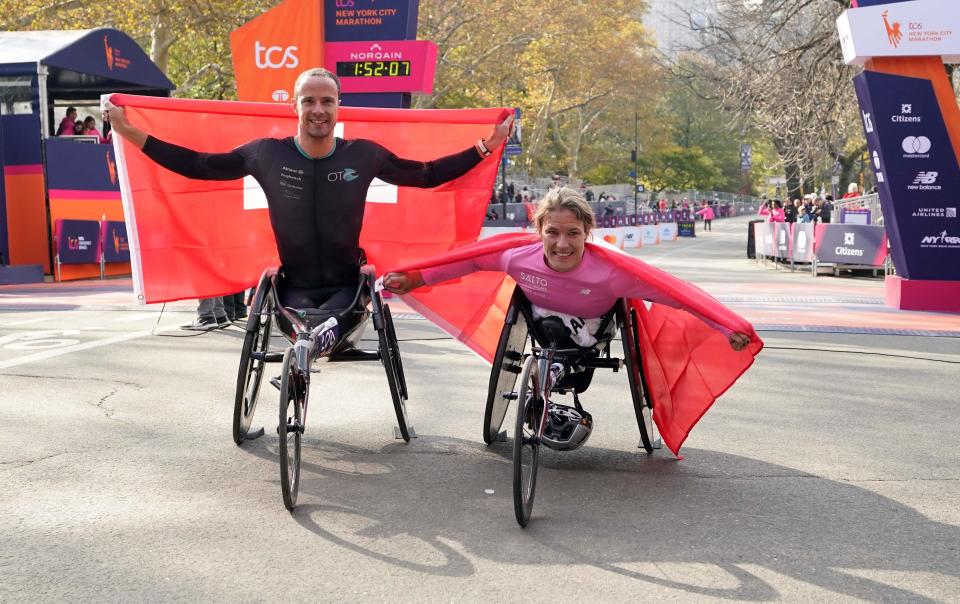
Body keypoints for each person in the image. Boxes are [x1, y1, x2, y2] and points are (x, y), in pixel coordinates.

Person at [104, 67, 514, 339]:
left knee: (323, 329)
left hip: (347, 287)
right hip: (292, 288)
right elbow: (197, 165)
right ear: (294, 106)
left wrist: (485, 147)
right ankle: (305, 352)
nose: (318, 110)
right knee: (303, 328)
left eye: (327, 101)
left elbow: (426, 175)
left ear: (338, 107)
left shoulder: (364, 154)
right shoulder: (265, 154)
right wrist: (130, 133)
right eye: (309, 101)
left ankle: (309, 351)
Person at [383, 187, 750, 352]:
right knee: (543, 325)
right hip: (540, 319)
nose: (562, 244)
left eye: (573, 234)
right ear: (539, 231)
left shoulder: (611, 272)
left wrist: (727, 327)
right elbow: (469, 259)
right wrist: (415, 278)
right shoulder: (515, 257)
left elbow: (676, 294)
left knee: (568, 336)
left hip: (590, 327)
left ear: (587, 233)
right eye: (553, 233)